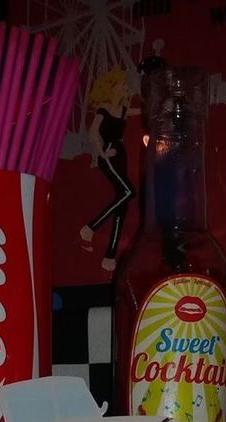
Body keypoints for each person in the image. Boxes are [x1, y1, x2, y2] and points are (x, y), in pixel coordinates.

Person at [80, 69, 136, 273]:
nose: (126, 89)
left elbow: (138, 112)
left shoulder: (122, 109)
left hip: (121, 153)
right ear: (112, 87)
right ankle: (90, 228)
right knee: (129, 192)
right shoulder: (103, 109)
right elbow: (93, 132)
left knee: (123, 203)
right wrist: (102, 153)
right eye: (123, 85)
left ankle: (110, 256)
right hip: (109, 153)